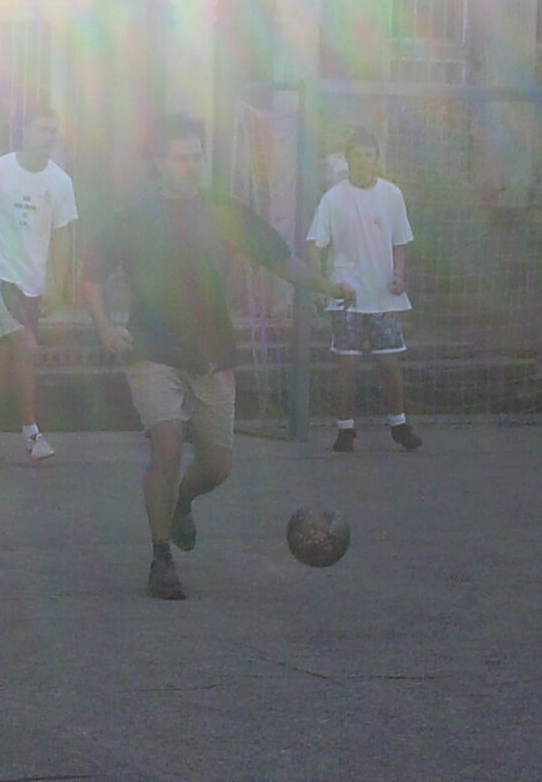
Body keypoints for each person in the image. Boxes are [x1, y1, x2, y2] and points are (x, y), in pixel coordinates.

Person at [81, 115, 355, 600]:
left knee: (218, 465)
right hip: (152, 348)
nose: (192, 166)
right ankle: (161, 559)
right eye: (181, 158)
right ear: (159, 163)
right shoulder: (135, 217)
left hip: (211, 351)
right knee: (167, 443)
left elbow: (279, 258)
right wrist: (105, 326)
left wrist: (327, 286)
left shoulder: (224, 211)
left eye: (198, 157)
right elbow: (92, 276)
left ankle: (181, 501)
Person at [0, 104, 78, 461]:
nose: (48, 137)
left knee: (11, 359)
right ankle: (32, 434)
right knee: (26, 347)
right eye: (42, 129)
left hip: (32, 283)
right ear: (25, 131)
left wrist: (58, 285)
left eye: (53, 131)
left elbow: (62, 236)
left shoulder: (60, 181)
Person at [307, 128, 422, 453]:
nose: (363, 160)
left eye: (368, 155)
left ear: (376, 159)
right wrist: (321, 285)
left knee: (389, 362)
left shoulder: (392, 194)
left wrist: (398, 275)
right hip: (347, 294)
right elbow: (315, 244)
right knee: (348, 363)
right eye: (357, 154)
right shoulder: (332, 198)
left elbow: (401, 241)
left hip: (383, 295)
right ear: (348, 159)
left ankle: (399, 426)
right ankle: (345, 430)